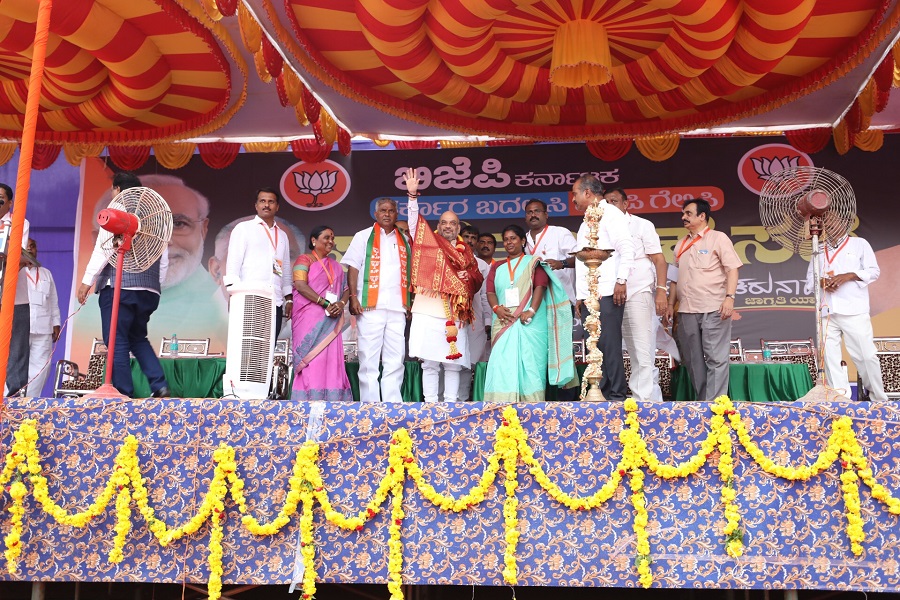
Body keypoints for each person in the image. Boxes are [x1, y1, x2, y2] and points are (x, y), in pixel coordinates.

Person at [76, 172, 170, 398]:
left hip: (120, 288)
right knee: (138, 337)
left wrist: (86, 281)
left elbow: (103, 249)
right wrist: (154, 285)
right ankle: (160, 385)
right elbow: (163, 257)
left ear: (117, 189)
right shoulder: (152, 217)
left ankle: (121, 392)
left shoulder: (115, 212)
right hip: (149, 290)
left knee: (116, 340)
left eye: (112, 190)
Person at [405, 169, 484, 403]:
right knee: (429, 363)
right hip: (428, 309)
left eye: (453, 223)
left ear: (459, 228)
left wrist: (465, 276)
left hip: (455, 312)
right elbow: (413, 226)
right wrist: (412, 197)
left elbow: (477, 278)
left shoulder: (466, 252)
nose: (448, 226)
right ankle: (430, 403)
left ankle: (450, 404)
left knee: (453, 364)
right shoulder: (428, 243)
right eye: (444, 222)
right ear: (437, 225)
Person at [484, 224, 576, 402]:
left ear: (522, 241)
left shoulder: (534, 262)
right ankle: (501, 405)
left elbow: (540, 287)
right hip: (503, 321)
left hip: (530, 322)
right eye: (506, 239)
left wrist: (531, 310)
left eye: (513, 238)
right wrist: (496, 308)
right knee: (503, 365)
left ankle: (532, 406)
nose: (509, 242)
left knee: (531, 365)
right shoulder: (498, 267)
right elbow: (490, 292)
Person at [666, 198, 742, 401]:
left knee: (716, 359)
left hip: (713, 308)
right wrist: (669, 304)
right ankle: (703, 404)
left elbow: (732, 269)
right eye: (683, 214)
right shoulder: (680, 245)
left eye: (688, 213)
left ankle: (716, 405)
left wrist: (730, 298)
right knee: (692, 361)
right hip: (686, 311)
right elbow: (673, 279)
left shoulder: (718, 238)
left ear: (702, 216)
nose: (683, 217)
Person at [804, 222, 886, 401]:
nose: (830, 226)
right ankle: (841, 399)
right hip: (827, 311)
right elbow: (810, 279)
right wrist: (821, 282)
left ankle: (878, 399)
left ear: (845, 224)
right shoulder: (818, 248)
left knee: (866, 355)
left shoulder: (860, 244)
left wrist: (848, 276)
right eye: (827, 223)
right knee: (830, 360)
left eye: (834, 222)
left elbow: (874, 272)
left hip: (854, 310)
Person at [342, 198, 412, 403]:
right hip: (370, 306)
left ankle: (392, 403)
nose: (387, 214)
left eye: (391, 211)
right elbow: (353, 267)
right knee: (369, 359)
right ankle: (370, 404)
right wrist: (353, 297)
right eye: (383, 210)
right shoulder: (363, 236)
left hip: (397, 307)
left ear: (396, 214)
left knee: (395, 358)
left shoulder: (404, 240)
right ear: (376, 214)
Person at [572, 175, 635, 401]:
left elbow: (627, 249)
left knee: (609, 344)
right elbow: (582, 262)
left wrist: (621, 281)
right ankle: (601, 392)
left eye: (575, 194)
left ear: (588, 193)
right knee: (594, 346)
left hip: (608, 291)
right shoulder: (585, 220)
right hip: (589, 294)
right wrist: (580, 296)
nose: (574, 200)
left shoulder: (612, 214)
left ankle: (617, 394)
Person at [603, 188, 668, 401]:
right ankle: (616, 397)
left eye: (614, 201)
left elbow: (659, 260)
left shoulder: (642, 225)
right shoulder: (601, 228)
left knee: (641, 350)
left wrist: (661, 291)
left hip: (637, 293)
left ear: (625, 204)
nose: (610, 205)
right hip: (608, 295)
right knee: (609, 351)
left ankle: (645, 402)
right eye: (606, 202)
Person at [290, 225, 353, 401]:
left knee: (330, 360)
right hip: (308, 317)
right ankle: (307, 400)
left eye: (332, 238)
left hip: (332, 319)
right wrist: (325, 303)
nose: (331, 241)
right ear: (313, 240)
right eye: (326, 237)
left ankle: (333, 401)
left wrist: (340, 304)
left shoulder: (337, 266)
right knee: (312, 361)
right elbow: (300, 285)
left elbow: (347, 289)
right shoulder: (304, 260)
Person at [225, 188, 293, 338]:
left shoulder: (282, 235)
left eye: (271, 202)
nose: (266, 205)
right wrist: (233, 295)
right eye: (262, 201)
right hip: (249, 298)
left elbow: (284, 268)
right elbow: (233, 264)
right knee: (248, 347)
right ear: (256, 206)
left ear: (277, 207)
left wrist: (288, 299)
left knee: (268, 348)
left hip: (274, 299)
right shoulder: (244, 228)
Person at [0, 183, 31, 395]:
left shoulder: (19, 222)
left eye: (1, 197)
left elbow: (16, 254)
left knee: (17, 347)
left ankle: (15, 394)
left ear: (10, 202)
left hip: (15, 296)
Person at [24, 238, 61, 397]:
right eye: (27, 247)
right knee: (16, 366)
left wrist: (56, 323)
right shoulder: (15, 271)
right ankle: (9, 400)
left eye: (33, 246)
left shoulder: (46, 273)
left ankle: (29, 402)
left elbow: (53, 301)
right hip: (21, 327)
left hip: (43, 327)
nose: (31, 250)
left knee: (41, 368)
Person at [524, 199, 577, 304]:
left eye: (537, 211)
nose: (533, 215)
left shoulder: (559, 233)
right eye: (529, 212)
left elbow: (579, 258)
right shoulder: (522, 240)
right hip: (534, 301)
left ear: (546, 214)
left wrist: (561, 263)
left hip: (561, 298)